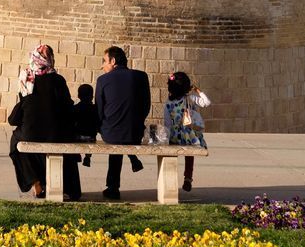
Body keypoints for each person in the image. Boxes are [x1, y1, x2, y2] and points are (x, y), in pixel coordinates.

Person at [7, 43, 80, 200]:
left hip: (32, 132)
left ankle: (35, 180)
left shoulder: (27, 79)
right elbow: (67, 106)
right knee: (59, 136)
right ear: (50, 59)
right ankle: (68, 187)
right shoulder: (58, 80)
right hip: (58, 133)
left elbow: (24, 107)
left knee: (16, 141)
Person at [94, 44, 151, 199]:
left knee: (115, 136)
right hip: (135, 133)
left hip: (111, 133)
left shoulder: (102, 80)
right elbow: (146, 106)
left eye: (104, 61)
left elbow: (98, 110)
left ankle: (113, 187)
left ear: (112, 61)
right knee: (121, 132)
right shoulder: (141, 76)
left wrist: (100, 127)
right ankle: (132, 158)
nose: (102, 65)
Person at [163, 70, 209, 193]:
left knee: (170, 155)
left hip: (174, 136)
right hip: (189, 135)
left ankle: (170, 178)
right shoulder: (191, 98)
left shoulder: (168, 103)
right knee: (189, 155)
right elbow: (206, 102)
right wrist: (197, 90)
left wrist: (167, 137)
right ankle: (188, 178)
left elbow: (167, 123)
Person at [73, 82, 99, 168]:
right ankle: (87, 157)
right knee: (91, 137)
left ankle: (76, 155)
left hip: (77, 137)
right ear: (92, 96)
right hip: (91, 137)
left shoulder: (75, 108)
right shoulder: (95, 109)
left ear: (78, 96)